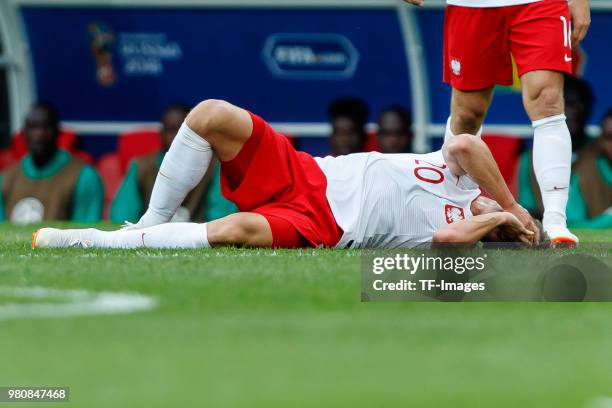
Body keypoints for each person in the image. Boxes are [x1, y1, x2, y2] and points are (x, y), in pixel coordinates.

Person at [33, 100, 539, 250]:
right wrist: (511, 205)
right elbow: (469, 143)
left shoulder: (465, 232)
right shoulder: (467, 177)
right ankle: (149, 221)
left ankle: (87, 242)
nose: (492, 207)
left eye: (501, 221)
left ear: (498, 233)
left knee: (238, 229)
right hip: (308, 171)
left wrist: (499, 223)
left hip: (327, 227)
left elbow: (450, 238)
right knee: (210, 115)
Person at [403, 0, 591, 245]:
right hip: (473, 5)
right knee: (468, 114)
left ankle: (555, 223)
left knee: (547, 100)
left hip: (540, 3)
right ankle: (448, 210)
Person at [110, 103, 237, 224]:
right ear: (161, 134)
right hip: (149, 239)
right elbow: (122, 218)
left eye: (183, 131)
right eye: (171, 130)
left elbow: (222, 219)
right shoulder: (141, 166)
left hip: (197, 239)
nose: (177, 138)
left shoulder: (215, 166)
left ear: (198, 134)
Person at [0, 102, 103, 224]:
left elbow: (86, 235)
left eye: (46, 127)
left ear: (58, 132)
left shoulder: (84, 176)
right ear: (23, 134)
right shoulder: (6, 178)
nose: (39, 135)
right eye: (33, 127)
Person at [517, 75, 594, 217]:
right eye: (566, 105)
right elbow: (527, 208)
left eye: (578, 104)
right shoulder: (530, 157)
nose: (573, 112)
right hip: (549, 228)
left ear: (588, 108)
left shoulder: (602, 149)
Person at [564, 110, 612, 228]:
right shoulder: (583, 174)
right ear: (600, 142)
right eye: (610, 137)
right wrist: (608, 219)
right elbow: (572, 226)